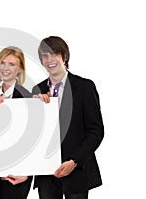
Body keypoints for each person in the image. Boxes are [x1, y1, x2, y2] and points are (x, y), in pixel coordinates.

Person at [32, 36, 104, 199]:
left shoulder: (84, 87)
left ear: (64, 56)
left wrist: (74, 161)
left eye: (54, 54)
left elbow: (95, 132)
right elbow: (32, 135)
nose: (49, 60)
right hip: (47, 174)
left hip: (76, 170)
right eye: (44, 56)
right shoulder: (37, 90)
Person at [0, 46, 32, 199]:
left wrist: (27, 174)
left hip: (17, 174)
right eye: (3, 63)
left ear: (19, 70)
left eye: (12, 64)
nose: (5, 68)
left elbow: (32, 138)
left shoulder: (27, 97)